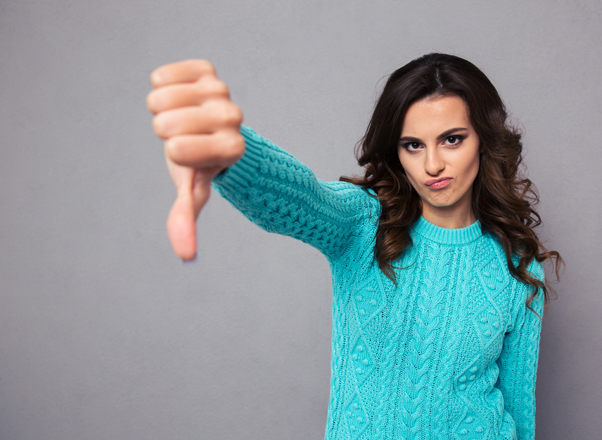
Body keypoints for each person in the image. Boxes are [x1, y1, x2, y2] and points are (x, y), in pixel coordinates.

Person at [147, 53, 561, 440]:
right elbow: (300, 198)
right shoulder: (364, 224)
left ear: (484, 141)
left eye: (452, 139)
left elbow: (519, 415)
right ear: (396, 152)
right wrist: (232, 152)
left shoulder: (519, 267)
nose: (433, 164)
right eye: (413, 144)